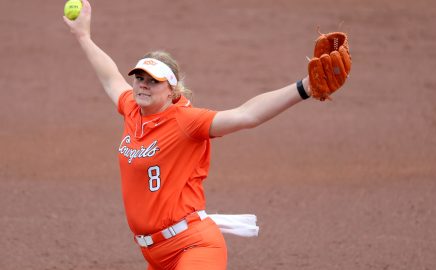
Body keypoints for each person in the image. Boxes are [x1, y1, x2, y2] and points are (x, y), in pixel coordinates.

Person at [63, 0, 313, 269]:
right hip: (156, 255)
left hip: (193, 246)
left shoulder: (186, 121)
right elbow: (110, 77)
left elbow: (246, 115)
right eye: (139, 78)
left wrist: (305, 87)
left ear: (171, 90)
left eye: (153, 81)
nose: (143, 85)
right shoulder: (131, 109)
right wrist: (82, 36)